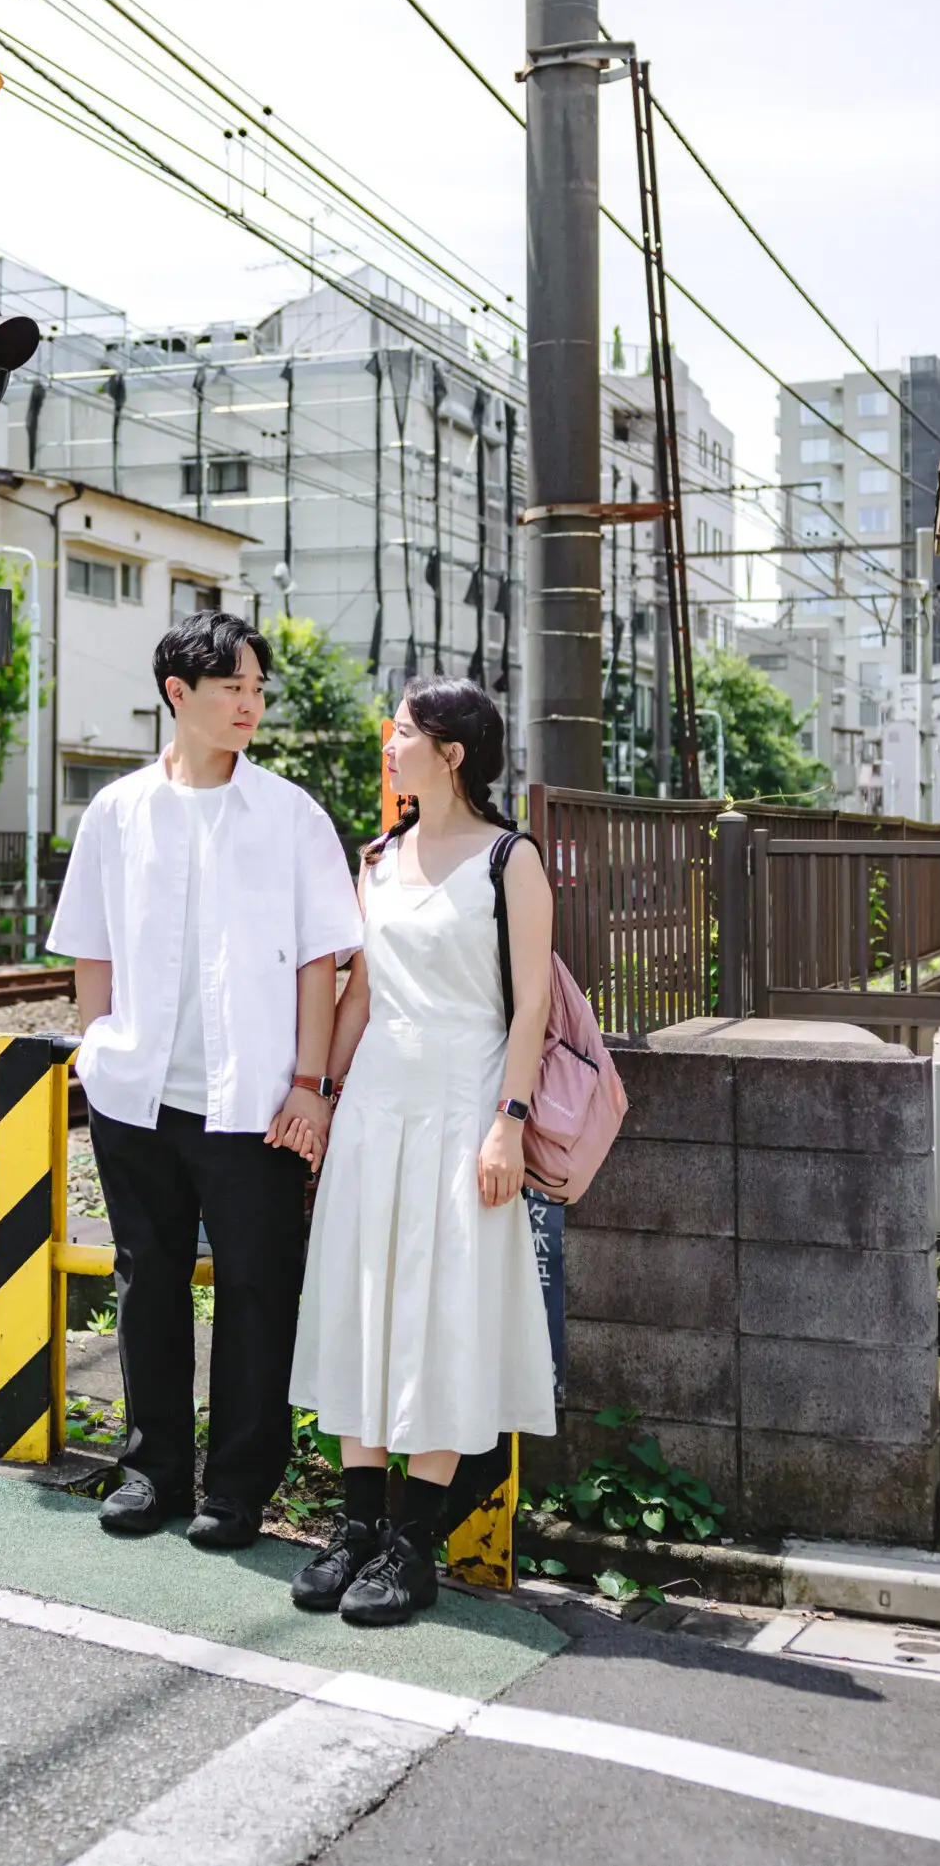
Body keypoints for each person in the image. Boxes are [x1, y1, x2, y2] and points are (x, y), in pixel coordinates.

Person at [48, 610, 363, 1549]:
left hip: (257, 1102)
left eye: (258, 689)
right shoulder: (116, 810)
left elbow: (321, 962)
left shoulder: (292, 813)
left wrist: (309, 1083)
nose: (251, 705)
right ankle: (153, 1472)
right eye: (234, 688)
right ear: (179, 695)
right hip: (137, 1094)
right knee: (147, 1282)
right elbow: (90, 950)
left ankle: (236, 1490)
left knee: (258, 1292)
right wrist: (99, 1046)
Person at [288, 676, 556, 1627]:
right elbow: (360, 997)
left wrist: (509, 1122)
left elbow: (531, 1004)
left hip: (463, 1105)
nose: (388, 745)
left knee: (442, 1311)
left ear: (450, 753)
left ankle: (414, 1544)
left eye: (401, 733)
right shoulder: (381, 855)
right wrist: (320, 1095)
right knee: (367, 1302)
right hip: (378, 1108)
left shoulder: (509, 861)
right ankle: (358, 1526)